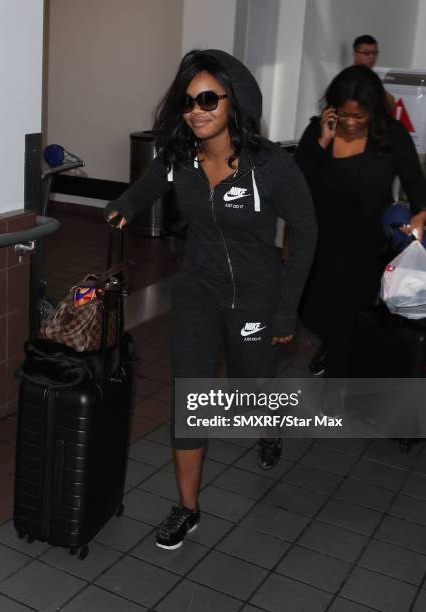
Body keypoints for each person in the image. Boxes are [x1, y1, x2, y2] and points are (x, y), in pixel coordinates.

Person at [105, 49, 316, 550]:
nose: (195, 110)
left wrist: (285, 309)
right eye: (187, 101)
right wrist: (124, 207)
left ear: (233, 100)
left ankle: (267, 430)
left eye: (206, 99)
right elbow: (146, 188)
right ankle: (187, 508)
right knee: (190, 398)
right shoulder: (180, 157)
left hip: (256, 297)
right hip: (198, 291)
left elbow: (306, 232)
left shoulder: (272, 167)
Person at [295, 65, 426, 378]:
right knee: (311, 313)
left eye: (360, 116)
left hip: (365, 247)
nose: (351, 123)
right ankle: (334, 350)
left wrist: (421, 210)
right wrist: (322, 142)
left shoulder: (390, 135)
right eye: (344, 114)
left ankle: (338, 386)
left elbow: (414, 180)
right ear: (332, 108)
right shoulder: (318, 131)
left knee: (349, 319)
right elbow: (295, 183)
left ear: (373, 111)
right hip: (320, 243)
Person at [352, 34, 395, 108]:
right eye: (366, 53)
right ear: (355, 55)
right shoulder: (348, 76)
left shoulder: (372, 77)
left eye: (374, 53)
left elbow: (390, 102)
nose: (372, 57)